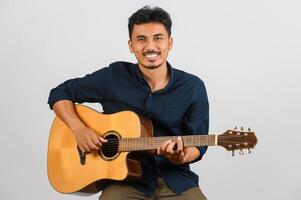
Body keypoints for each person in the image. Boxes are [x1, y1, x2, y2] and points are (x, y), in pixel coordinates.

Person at [48, 6, 209, 200]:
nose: (150, 47)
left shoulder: (193, 87)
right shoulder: (113, 76)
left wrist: (181, 156)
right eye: (141, 39)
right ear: (131, 45)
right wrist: (79, 129)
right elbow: (59, 94)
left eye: (158, 38)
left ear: (170, 43)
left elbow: (198, 144)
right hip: (123, 181)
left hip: (174, 179)